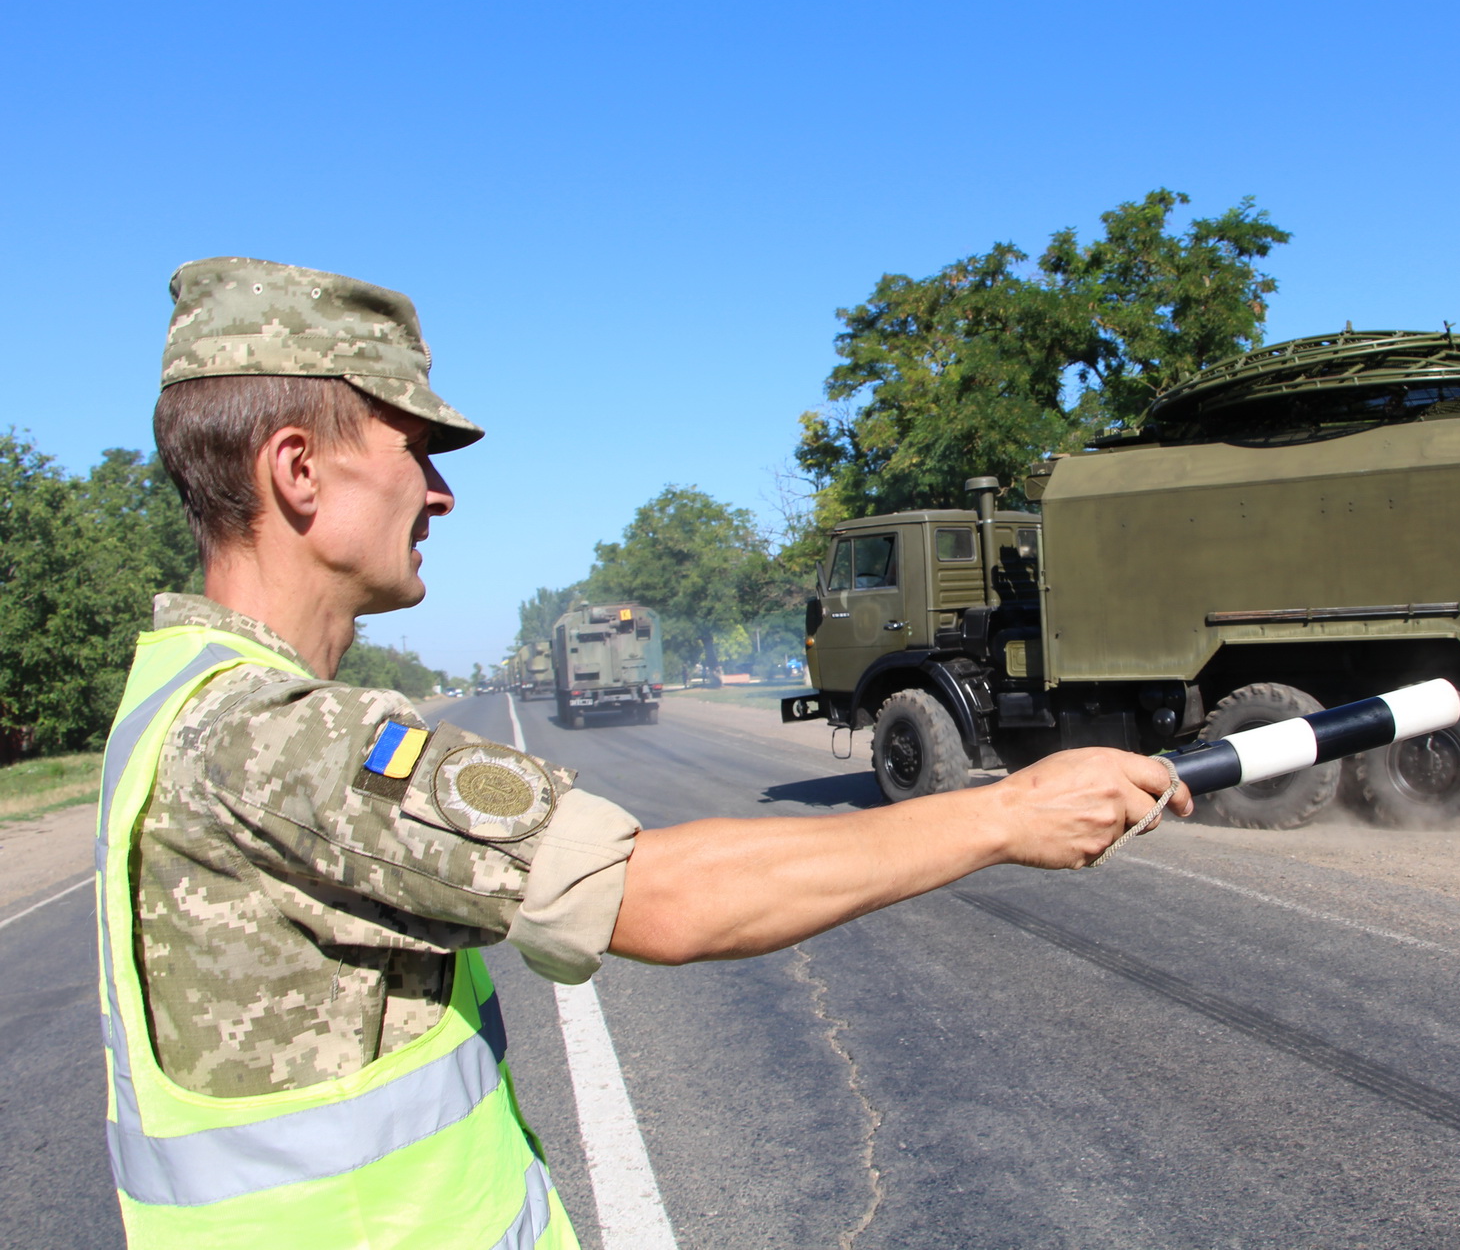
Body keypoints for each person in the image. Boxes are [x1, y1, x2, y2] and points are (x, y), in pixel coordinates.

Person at [95, 256, 1189, 1249]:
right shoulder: (282, 739)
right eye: (414, 450)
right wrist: (1003, 814)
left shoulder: (173, 704)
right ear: (296, 470)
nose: (440, 492)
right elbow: (660, 896)